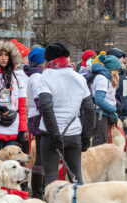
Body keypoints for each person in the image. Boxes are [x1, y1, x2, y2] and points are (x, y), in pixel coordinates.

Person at [36, 43, 95, 186]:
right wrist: (86, 137)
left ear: (48, 59)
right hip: (74, 133)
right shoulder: (79, 77)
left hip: (50, 134)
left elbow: (46, 107)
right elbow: (89, 109)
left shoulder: (46, 76)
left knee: (51, 180)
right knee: (76, 178)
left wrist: (55, 135)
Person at [23, 47, 46, 198]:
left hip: (35, 116)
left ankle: (39, 190)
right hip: (38, 117)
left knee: (41, 155)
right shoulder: (37, 76)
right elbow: (40, 100)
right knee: (41, 157)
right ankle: (38, 191)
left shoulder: (34, 74)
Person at [89, 54, 121, 146]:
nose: (119, 72)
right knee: (100, 144)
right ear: (113, 69)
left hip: (105, 114)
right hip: (100, 114)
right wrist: (113, 109)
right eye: (118, 70)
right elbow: (99, 100)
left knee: (105, 142)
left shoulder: (107, 78)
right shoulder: (102, 79)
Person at [108, 48, 127, 121]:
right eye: (121, 58)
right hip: (118, 109)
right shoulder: (109, 75)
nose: (123, 60)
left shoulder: (124, 71)